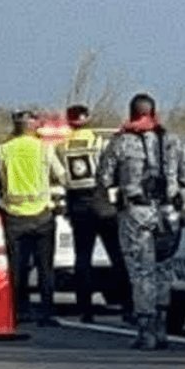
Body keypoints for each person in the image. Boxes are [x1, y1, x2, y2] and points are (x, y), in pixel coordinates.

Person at [97, 94, 185, 350]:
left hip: (137, 214)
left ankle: (146, 329)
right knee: (163, 270)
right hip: (168, 215)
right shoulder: (173, 141)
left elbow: (104, 178)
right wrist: (178, 202)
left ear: (132, 113)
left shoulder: (121, 142)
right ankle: (162, 327)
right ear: (153, 112)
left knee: (142, 272)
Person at [57, 104, 130, 323]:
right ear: (88, 118)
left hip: (77, 204)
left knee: (82, 258)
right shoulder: (99, 142)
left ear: (69, 121)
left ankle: (85, 310)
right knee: (117, 255)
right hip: (102, 202)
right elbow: (113, 171)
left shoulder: (62, 146)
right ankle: (128, 307)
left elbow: (61, 177)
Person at [0, 110, 66, 326]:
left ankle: (20, 310)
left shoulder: (2, 151)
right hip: (42, 215)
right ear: (33, 128)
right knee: (45, 267)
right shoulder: (44, 148)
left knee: (17, 267)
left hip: (14, 215)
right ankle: (47, 312)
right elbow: (62, 176)